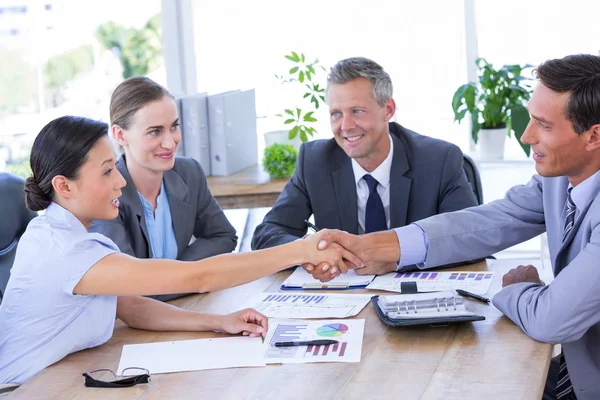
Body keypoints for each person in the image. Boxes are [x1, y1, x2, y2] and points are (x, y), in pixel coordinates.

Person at [0, 116, 361, 385]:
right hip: (24, 389)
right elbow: (199, 277)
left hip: (58, 377)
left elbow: (129, 305)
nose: (121, 180)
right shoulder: (63, 249)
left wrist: (217, 322)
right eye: (108, 171)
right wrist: (301, 250)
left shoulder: (73, 236)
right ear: (64, 185)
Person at [321, 54, 600, 400]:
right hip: (571, 368)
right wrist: (381, 246)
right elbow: (490, 221)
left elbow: (550, 320)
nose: (527, 136)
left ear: (593, 136)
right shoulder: (560, 179)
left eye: (543, 125)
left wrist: (521, 287)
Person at [252, 57, 478, 281]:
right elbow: (267, 234)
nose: (346, 126)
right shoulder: (314, 161)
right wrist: (309, 252)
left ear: (388, 109)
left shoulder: (438, 160)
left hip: (416, 296)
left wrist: (397, 258)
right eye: (336, 114)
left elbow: (471, 237)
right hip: (342, 300)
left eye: (357, 111)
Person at [89, 77, 237, 302]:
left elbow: (223, 236)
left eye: (174, 127)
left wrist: (178, 274)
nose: (170, 143)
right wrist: (194, 278)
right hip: (130, 326)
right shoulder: (104, 193)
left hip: (186, 306)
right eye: (155, 132)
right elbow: (125, 283)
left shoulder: (189, 173)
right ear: (120, 135)